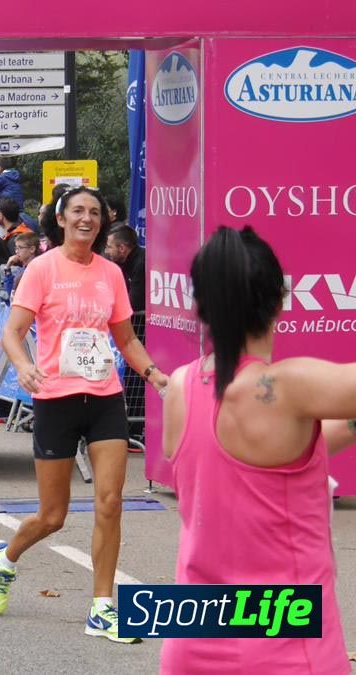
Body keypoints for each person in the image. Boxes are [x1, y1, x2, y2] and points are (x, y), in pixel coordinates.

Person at [158, 226, 354, 672]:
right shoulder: (283, 387)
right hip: (285, 648)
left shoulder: (181, 388)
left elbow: (262, 466)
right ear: (280, 300)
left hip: (193, 642)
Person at [0, 185, 169, 643]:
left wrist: (157, 376)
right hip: (56, 399)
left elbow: (125, 339)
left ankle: (102, 608)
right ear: (62, 220)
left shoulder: (110, 273)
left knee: (110, 501)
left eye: (94, 213)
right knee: (53, 515)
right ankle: (6, 558)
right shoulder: (42, 269)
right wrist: (25, 366)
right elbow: (13, 331)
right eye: (78, 212)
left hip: (104, 397)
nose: (87, 219)